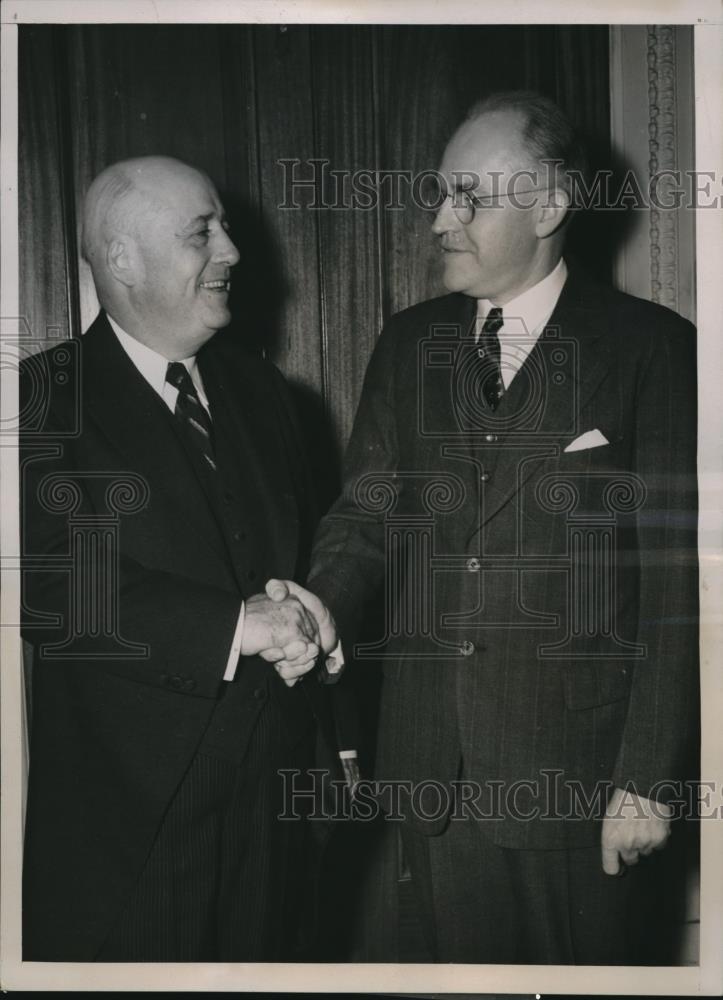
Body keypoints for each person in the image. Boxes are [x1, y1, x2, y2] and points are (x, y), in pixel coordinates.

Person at [305, 92, 699, 963]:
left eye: (468, 199)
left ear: (550, 206)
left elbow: (678, 589)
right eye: (441, 195)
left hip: (575, 782)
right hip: (424, 778)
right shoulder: (406, 346)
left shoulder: (651, 349)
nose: (442, 219)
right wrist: (319, 605)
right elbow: (366, 513)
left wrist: (645, 780)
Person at [20, 155, 339, 962]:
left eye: (224, 229)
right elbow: (51, 585)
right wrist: (237, 625)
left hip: (279, 816)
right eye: (203, 233)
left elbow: (307, 569)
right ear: (123, 258)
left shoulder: (271, 398)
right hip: (133, 831)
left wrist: (319, 652)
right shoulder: (40, 402)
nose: (232, 251)